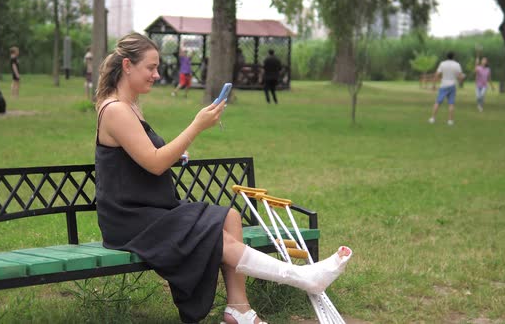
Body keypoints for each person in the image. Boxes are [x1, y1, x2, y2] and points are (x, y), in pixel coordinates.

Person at [94, 32, 351, 324]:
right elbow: (154, 164)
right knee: (214, 236)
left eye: (156, 67)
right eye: (150, 68)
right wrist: (196, 126)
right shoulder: (115, 110)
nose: (156, 74)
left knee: (228, 217)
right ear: (127, 66)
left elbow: (145, 156)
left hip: (151, 210)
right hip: (131, 220)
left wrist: (176, 153)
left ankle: (238, 309)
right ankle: (304, 278)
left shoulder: (130, 106)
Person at [429, 52, 465, 126]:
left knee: (438, 102)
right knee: (451, 103)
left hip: (443, 85)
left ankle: (432, 118)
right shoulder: (457, 64)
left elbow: (437, 74)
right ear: (453, 56)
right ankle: (450, 120)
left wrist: (433, 85)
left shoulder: (442, 64)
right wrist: (461, 80)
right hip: (452, 85)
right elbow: (460, 76)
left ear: (447, 56)